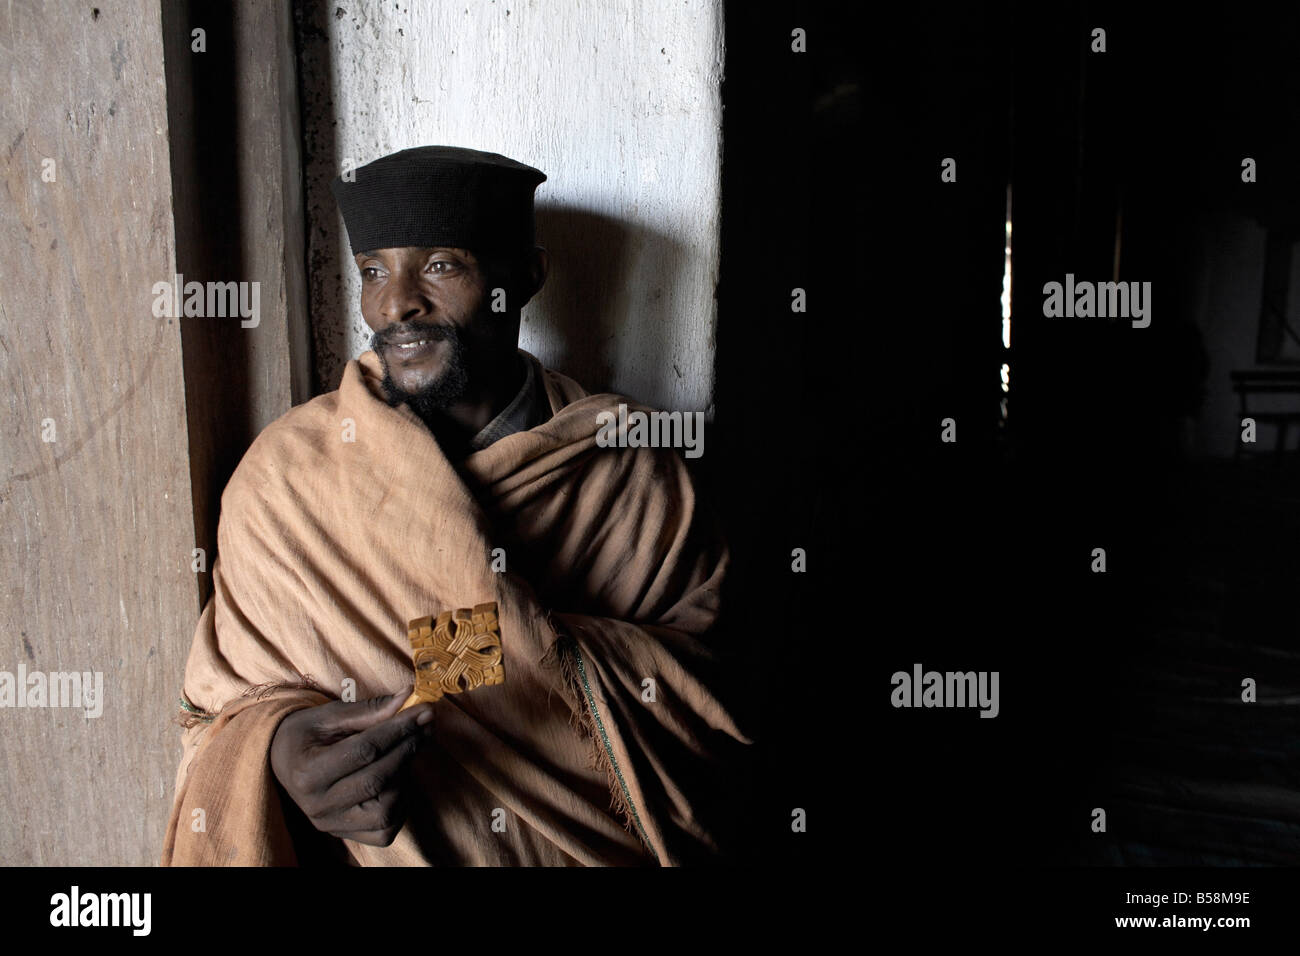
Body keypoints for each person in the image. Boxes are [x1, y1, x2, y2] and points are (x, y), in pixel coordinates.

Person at [161, 146, 751, 866]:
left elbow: (715, 707)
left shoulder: (631, 472)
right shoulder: (287, 481)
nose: (396, 303)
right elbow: (213, 716)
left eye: (440, 265)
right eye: (374, 270)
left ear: (527, 277)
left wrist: (465, 649)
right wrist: (280, 755)